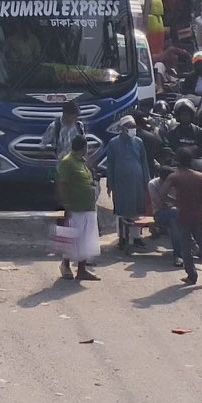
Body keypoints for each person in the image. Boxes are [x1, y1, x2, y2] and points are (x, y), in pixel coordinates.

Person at [102, 116, 152, 250]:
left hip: (137, 180)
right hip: (121, 182)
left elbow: (144, 162)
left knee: (137, 209)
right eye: (129, 127)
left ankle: (136, 237)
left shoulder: (138, 142)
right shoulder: (113, 143)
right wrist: (109, 184)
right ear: (122, 129)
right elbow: (110, 164)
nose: (132, 130)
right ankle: (122, 237)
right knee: (121, 209)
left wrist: (146, 181)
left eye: (133, 127)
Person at [54, 136, 100, 281]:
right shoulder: (67, 161)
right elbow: (61, 184)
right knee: (70, 239)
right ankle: (65, 266)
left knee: (85, 240)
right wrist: (65, 204)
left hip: (88, 208)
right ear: (84, 147)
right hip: (74, 208)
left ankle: (82, 270)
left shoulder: (83, 162)